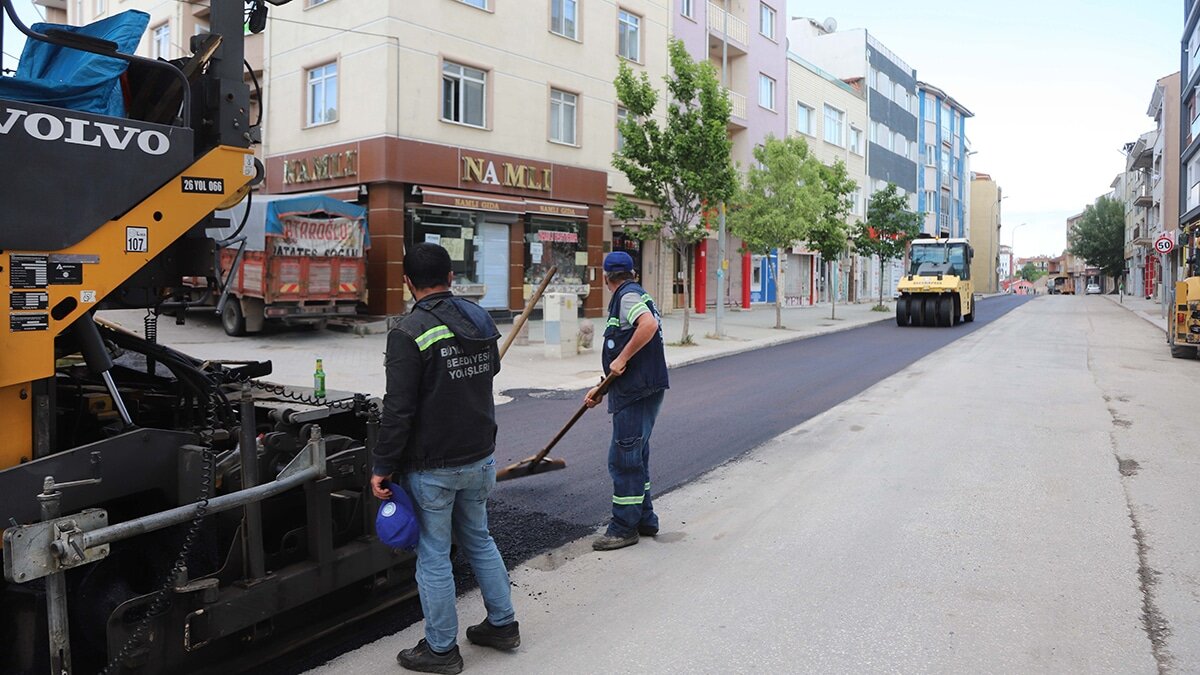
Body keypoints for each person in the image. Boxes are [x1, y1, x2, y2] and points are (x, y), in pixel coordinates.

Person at [371, 243, 518, 674]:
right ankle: (502, 625)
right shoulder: (480, 317)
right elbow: (490, 371)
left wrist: (382, 466)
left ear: (407, 282)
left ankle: (440, 651)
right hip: (480, 456)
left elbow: (398, 409)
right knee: (480, 539)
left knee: (434, 555)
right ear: (451, 277)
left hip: (433, 466)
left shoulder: (407, 331)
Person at [584, 251, 669, 552]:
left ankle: (623, 527)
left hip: (637, 392)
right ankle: (645, 518)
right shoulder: (636, 293)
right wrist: (602, 389)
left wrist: (620, 359)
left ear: (606, 277)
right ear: (632, 272)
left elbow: (647, 326)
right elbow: (627, 352)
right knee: (636, 454)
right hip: (639, 388)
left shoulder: (628, 297)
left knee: (624, 459)